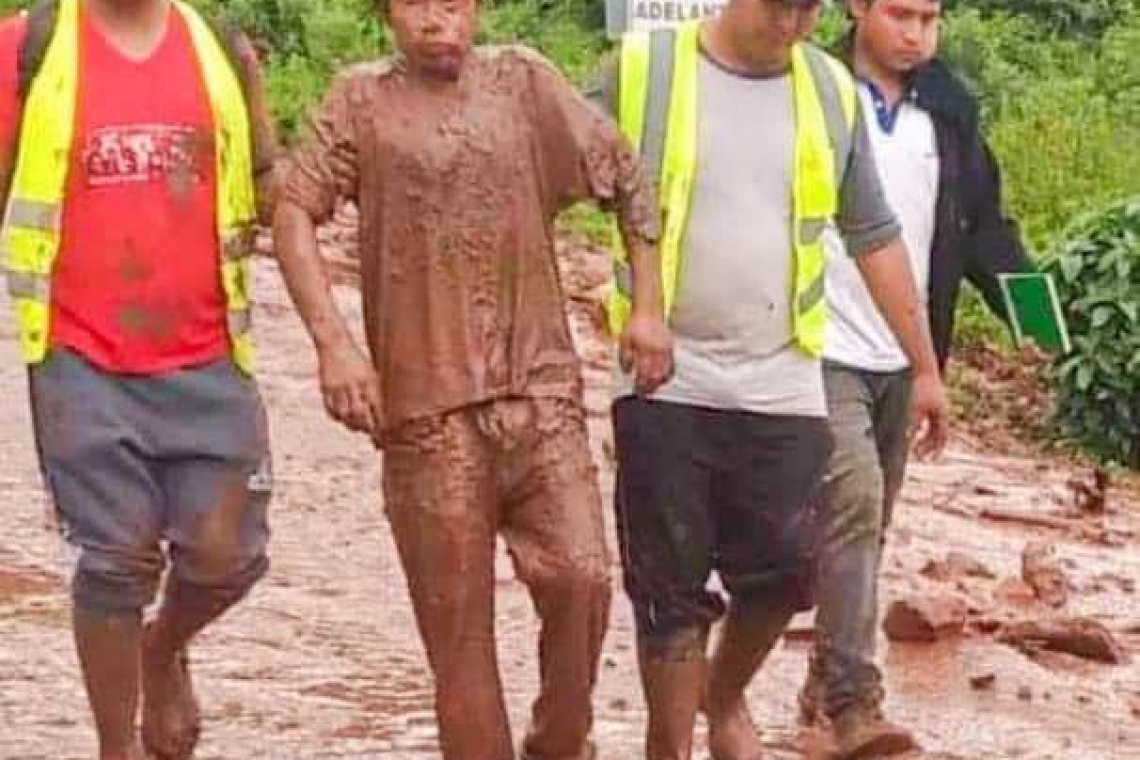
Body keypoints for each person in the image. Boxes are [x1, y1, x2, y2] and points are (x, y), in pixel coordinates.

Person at [272, 1, 672, 758]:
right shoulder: (361, 100)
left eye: (454, 3)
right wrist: (335, 345)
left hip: (541, 392)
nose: (437, 20)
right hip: (427, 413)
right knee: (460, 641)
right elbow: (292, 212)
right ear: (388, 12)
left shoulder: (524, 83)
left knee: (583, 579)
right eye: (417, 4)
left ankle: (560, 740)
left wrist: (648, 307)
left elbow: (626, 175)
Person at [596, 1, 949, 758]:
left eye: (807, 9)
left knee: (790, 572)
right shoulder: (645, 69)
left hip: (783, 376)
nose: (791, 25)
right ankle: (670, 747)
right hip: (666, 375)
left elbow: (873, 233)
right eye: (776, 6)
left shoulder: (827, 89)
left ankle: (723, 699)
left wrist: (924, 366)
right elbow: (548, 172)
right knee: (670, 593)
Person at [0, 0, 280, 759]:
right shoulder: (30, 48)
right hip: (80, 359)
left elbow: (270, 182)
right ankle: (115, 748)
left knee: (229, 555)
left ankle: (161, 649)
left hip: (209, 354)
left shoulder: (222, 49)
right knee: (115, 557)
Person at [799, 1, 1033, 756]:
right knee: (855, 505)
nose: (916, 35)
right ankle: (854, 702)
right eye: (900, 15)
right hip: (815, 344)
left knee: (868, 528)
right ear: (856, 7)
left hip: (907, 354)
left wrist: (1046, 323)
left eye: (930, 19)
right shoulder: (810, 85)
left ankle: (820, 690)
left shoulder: (950, 111)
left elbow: (986, 228)